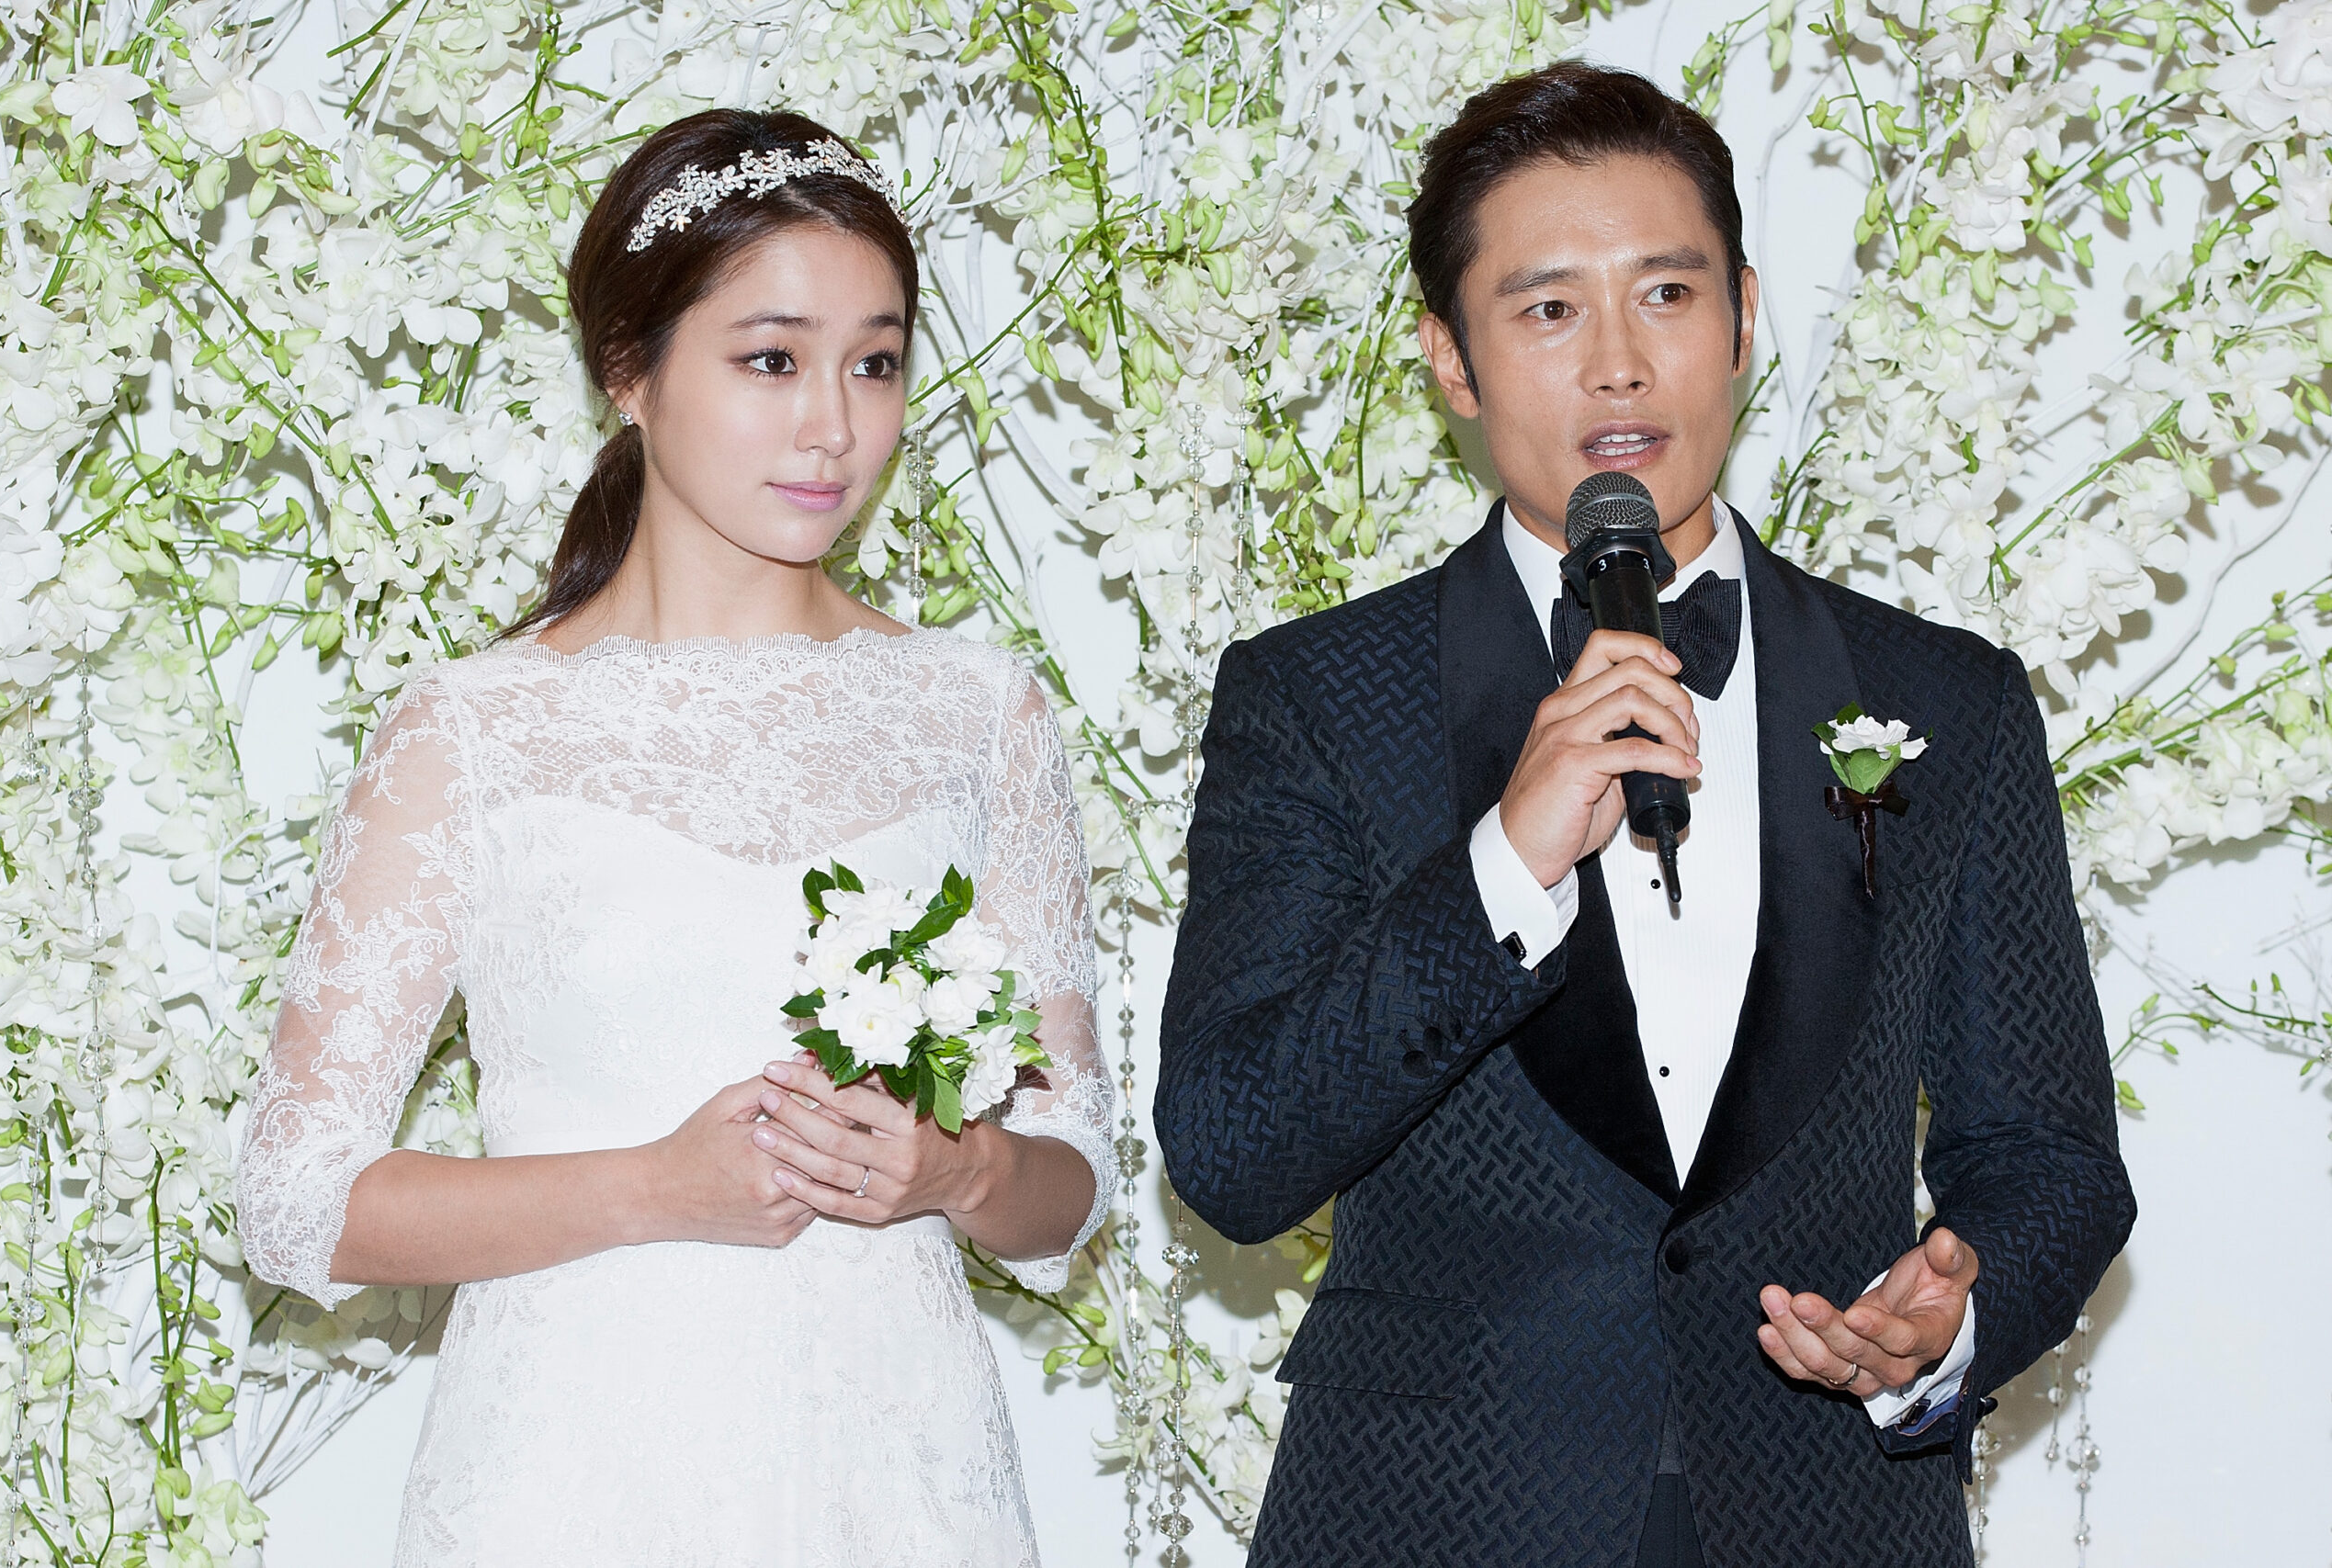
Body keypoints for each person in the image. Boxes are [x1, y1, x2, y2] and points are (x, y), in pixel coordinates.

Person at [1154, 62, 2134, 1568]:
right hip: (1437, 1516)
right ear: (1451, 362)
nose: (1619, 365)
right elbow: (1232, 1151)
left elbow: (2052, 1149)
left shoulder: (1949, 697)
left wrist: (1951, 1314)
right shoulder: (1316, 697)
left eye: (1666, 296)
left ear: (1742, 318)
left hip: (1832, 1511)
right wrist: (1505, 862)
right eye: (1549, 310)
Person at [235, 109, 1111, 1567]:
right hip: (571, 1476)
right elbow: (294, 1202)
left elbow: (1069, 1177)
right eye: (771, 359)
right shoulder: (470, 729)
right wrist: (657, 1187)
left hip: (898, 1482)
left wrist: (959, 1173)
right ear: (628, 373)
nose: (833, 423)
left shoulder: (980, 712)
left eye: (875, 362)